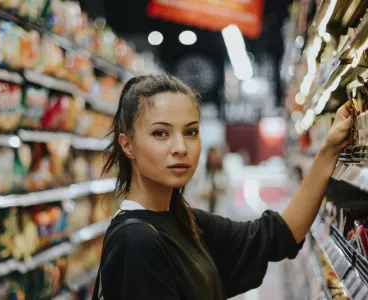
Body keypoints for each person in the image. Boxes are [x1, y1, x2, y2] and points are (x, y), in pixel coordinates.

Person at [92, 75, 352, 300]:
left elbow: (277, 236)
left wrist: (329, 149)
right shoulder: (136, 241)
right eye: (161, 133)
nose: (181, 147)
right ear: (127, 145)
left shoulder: (184, 220)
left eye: (191, 132)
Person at [198, 147, 231, 214]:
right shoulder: (203, 171)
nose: (213, 159)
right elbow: (198, 190)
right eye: (211, 157)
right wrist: (209, 192)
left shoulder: (223, 172)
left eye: (214, 157)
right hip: (206, 205)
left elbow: (228, 189)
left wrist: (217, 191)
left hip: (219, 206)